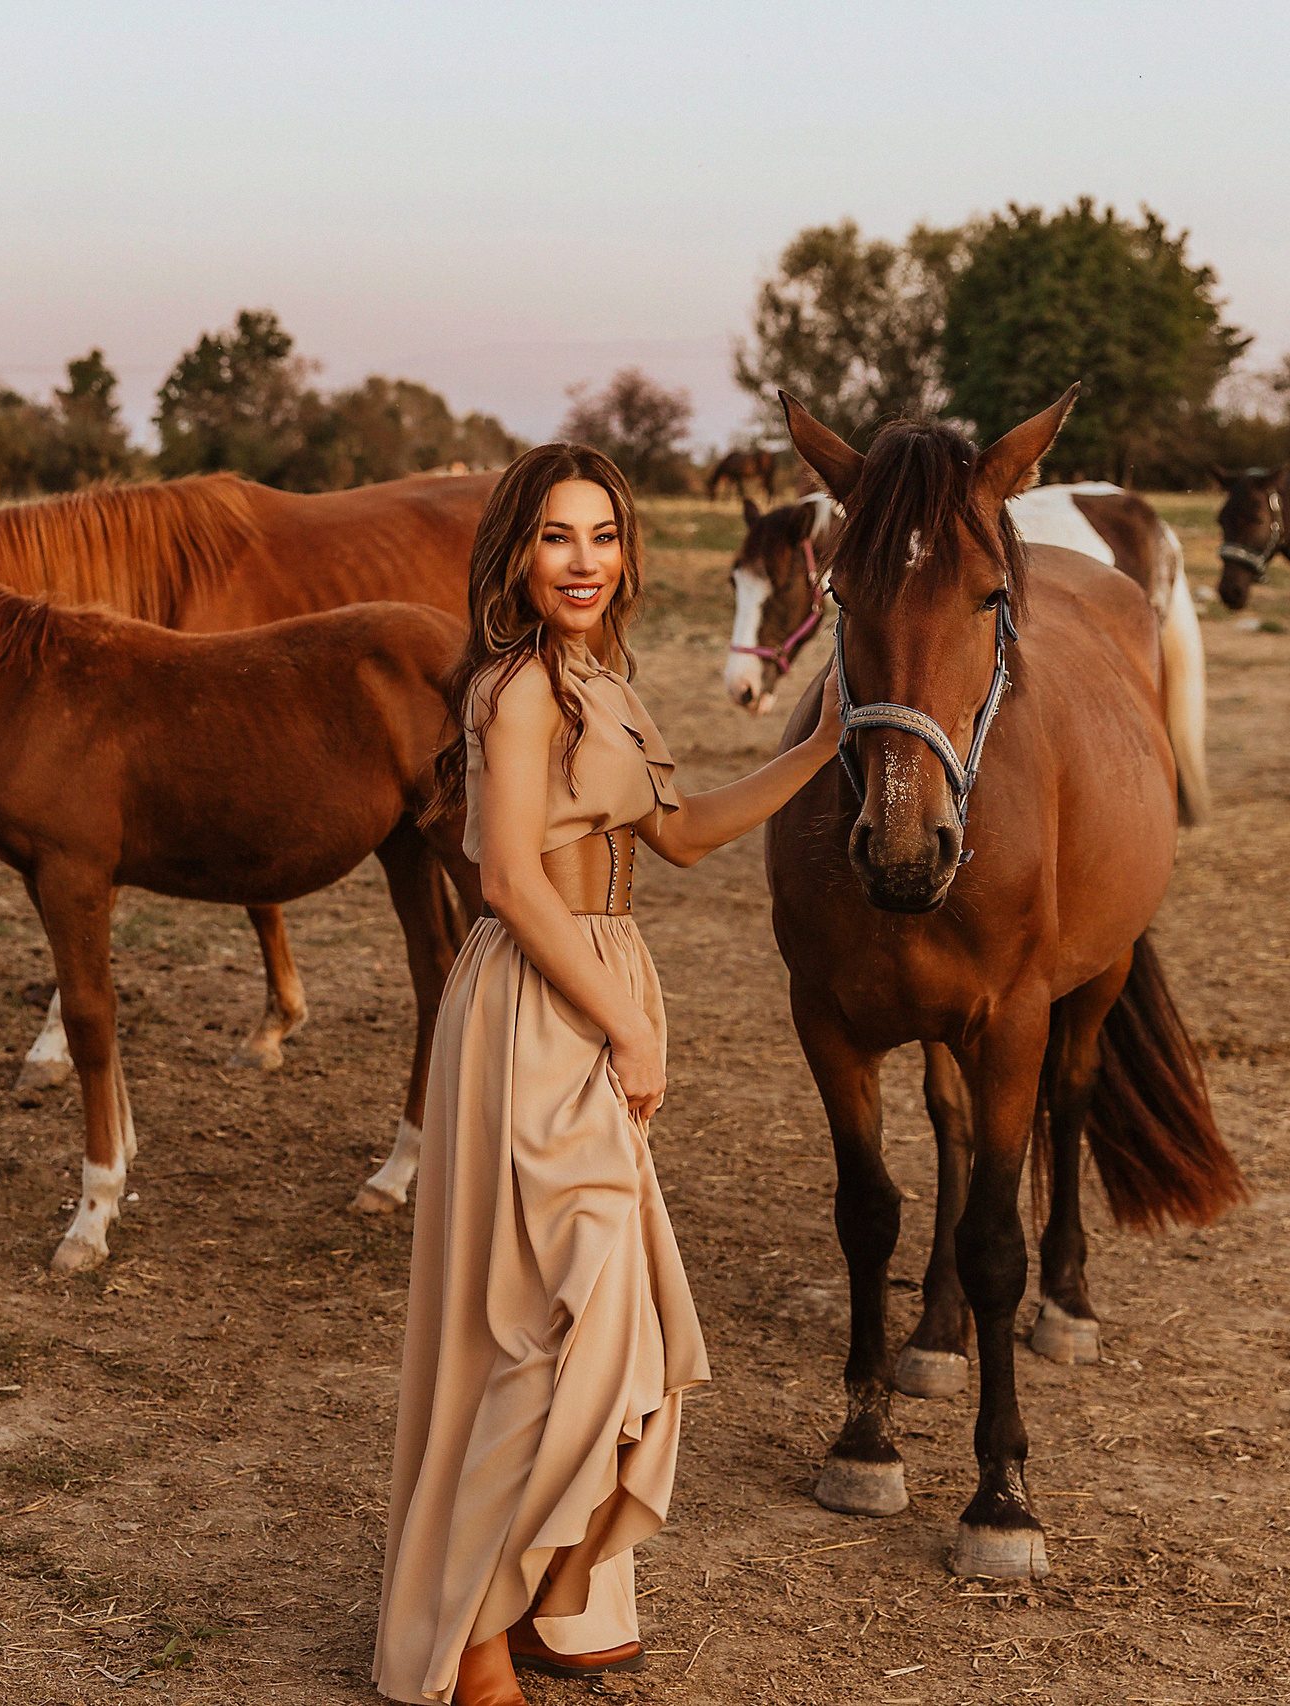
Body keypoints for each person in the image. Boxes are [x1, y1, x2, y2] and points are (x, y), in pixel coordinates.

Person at [372, 443, 846, 1706]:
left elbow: (679, 836)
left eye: (602, 537)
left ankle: (542, 1596)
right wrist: (624, 1031)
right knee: (562, 1321)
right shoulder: (519, 688)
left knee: (592, 1307)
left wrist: (820, 745)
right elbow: (511, 879)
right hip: (536, 996)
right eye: (555, 538)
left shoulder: (606, 681)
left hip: (602, 970)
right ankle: (471, 1626)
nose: (582, 562)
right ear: (516, 557)